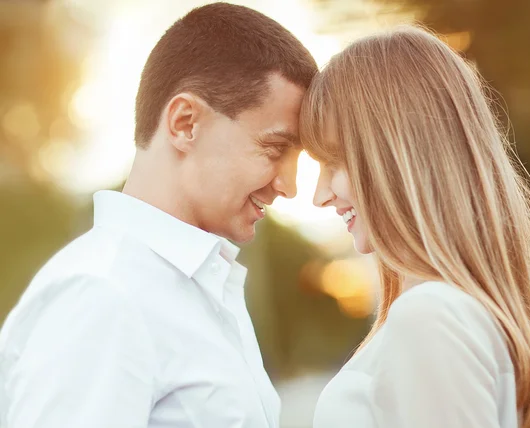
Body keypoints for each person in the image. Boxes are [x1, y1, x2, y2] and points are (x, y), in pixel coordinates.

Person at [0, 3, 317, 428]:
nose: (289, 186)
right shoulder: (103, 295)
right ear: (185, 123)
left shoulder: (201, 290)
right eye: (275, 149)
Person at [300, 25, 530, 428]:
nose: (320, 195)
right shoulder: (452, 311)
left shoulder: (429, 315)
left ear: (398, 154)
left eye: (336, 161)